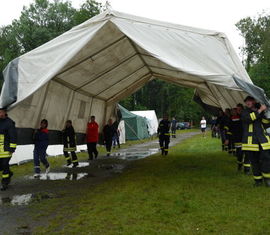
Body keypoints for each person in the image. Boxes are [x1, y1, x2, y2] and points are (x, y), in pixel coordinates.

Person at [241, 96, 270, 187]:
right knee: (255, 162)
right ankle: (258, 181)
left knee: (266, 159)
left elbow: (265, 124)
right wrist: (260, 110)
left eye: (249, 101)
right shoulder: (244, 112)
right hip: (250, 142)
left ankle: (267, 179)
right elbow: (249, 119)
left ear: (254, 101)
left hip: (262, 140)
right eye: (246, 102)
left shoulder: (259, 110)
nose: (248, 102)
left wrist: (266, 114)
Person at [0, 108, 17, 191]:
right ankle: (9, 173)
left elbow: (13, 136)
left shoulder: (9, 123)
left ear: (4, 112)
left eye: (0, 112)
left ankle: (4, 182)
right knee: (1, 166)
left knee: (5, 164)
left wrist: (12, 148)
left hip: (6, 149)